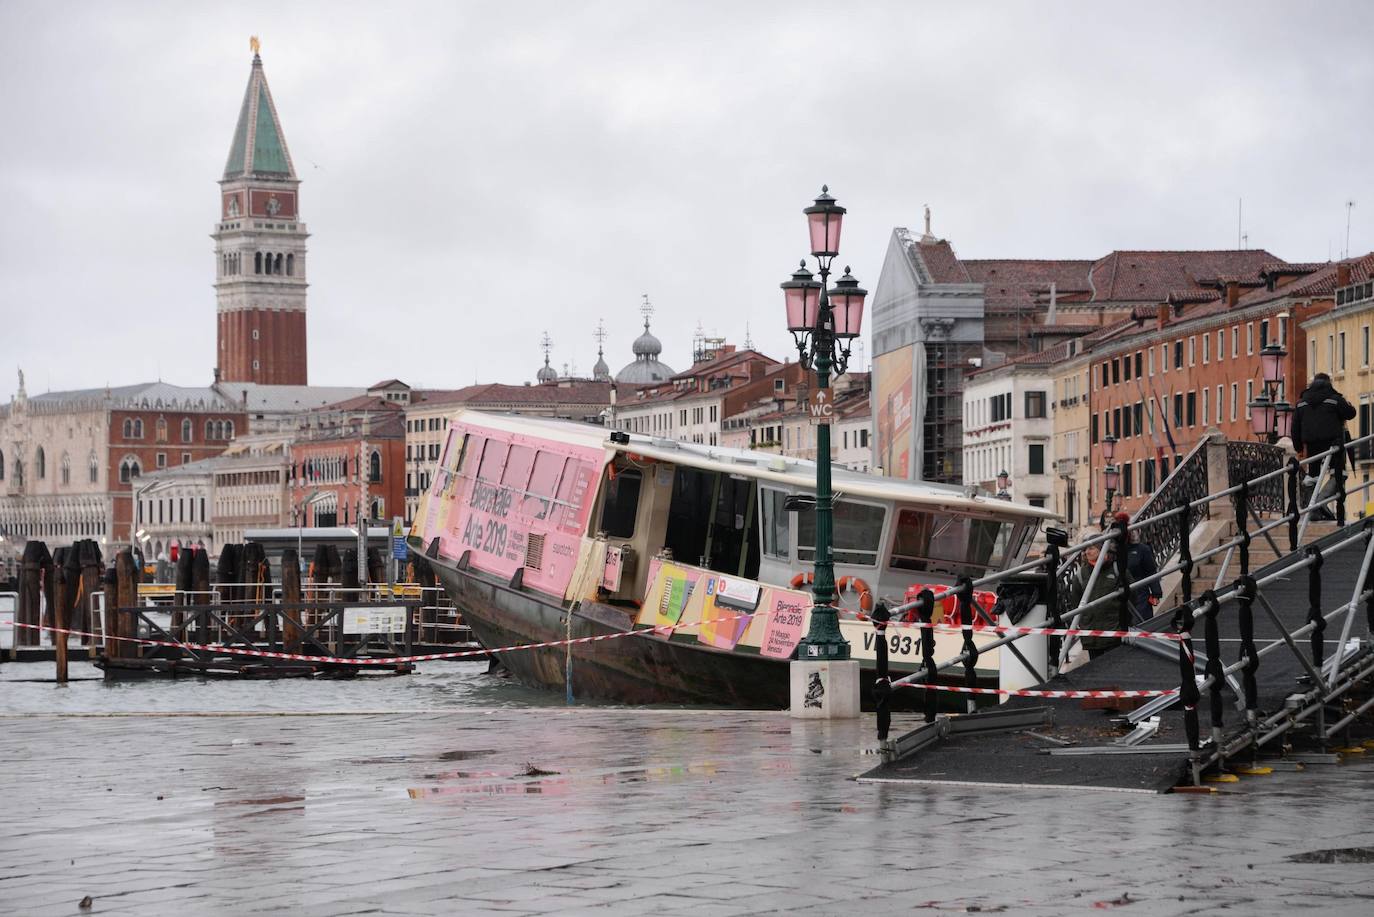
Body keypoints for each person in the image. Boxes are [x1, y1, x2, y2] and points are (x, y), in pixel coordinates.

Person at [1067, 535, 1133, 660]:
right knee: (1095, 671)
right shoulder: (1081, 574)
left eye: (1091, 548)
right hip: (1092, 636)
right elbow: (1075, 603)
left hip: (1114, 632)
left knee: (1114, 670)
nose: (1087, 552)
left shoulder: (1117, 569)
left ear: (1102, 549)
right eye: (1085, 549)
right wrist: (1083, 624)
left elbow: (1132, 595)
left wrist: (1125, 621)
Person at [1115, 511, 1161, 623]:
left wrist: (1156, 593)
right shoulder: (1113, 551)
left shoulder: (1142, 550)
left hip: (1140, 594)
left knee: (1141, 624)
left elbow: (1151, 571)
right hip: (1119, 595)